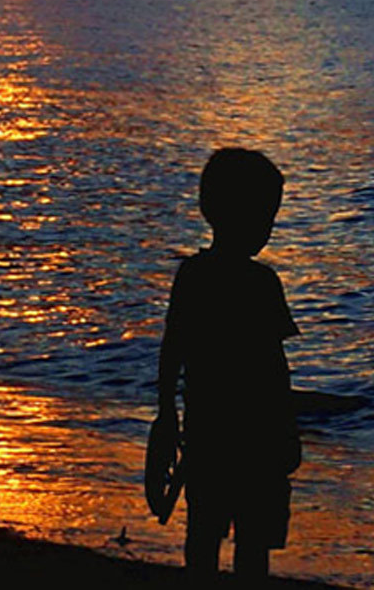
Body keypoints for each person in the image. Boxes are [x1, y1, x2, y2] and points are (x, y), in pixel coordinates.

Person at [154, 148, 300, 582]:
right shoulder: (260, 283)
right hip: (254, 438)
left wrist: (166, 411)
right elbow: (274, 370)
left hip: (205, 433)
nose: (267, 228)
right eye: (265, 216)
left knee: (203, 531)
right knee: (252, 541)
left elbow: (172, 349)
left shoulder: (192, 275)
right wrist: (287, 430)